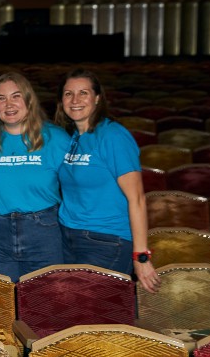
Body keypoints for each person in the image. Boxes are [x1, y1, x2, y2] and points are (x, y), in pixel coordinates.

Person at [54, 68, 160, 293]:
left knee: (92, 311)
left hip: (107, 241)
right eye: (68, 93)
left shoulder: (113, 135)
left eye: (83, 93)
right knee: (72, 311)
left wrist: (140, 256)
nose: (75, 100)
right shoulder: (72, 137)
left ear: (97, 98)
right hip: (67, 237)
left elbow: (137, 198)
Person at [0, 72, 69, 282]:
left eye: (16, 96)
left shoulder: (56, 138)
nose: (8, 104)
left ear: (29, 100)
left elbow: (79, 185)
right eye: (0, 98)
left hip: (43, 232)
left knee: (44, 305)